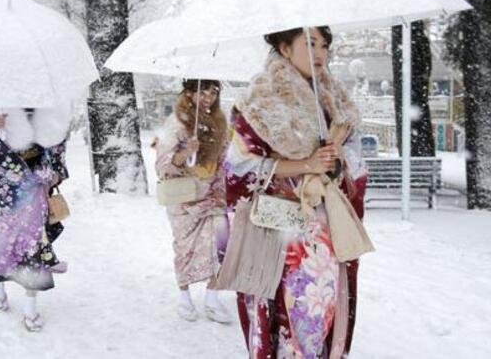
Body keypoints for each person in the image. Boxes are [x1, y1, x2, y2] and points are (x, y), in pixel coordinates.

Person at [223, 27, 367, 358]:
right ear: (285, 48)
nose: (320, 53)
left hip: (326, 228)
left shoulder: (337, 103)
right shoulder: (261, 102)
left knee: (323, 318)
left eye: (325, 45)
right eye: (310, 43)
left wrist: (337, 162)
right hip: (281, 231)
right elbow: (238, 169)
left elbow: (354, 166)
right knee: (290, 319)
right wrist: (305, 163)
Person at [0, 107, 70, 332]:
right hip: (2, 186)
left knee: (33, 243)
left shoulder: (43, 95)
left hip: (34, 181)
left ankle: (30, 306)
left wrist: (55, 168)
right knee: (1, 243)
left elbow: (57, 133)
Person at [154, 79, 231, 323]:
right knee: (184, 248)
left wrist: (220, 188)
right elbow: (162, 165)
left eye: (213, 92)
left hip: (210, 195)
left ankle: (212, 297)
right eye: (203, 92)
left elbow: (223, 161)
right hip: (183, 197)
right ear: (189, 93)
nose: (209, 97)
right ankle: (184, 297)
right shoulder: (175, 123)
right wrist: (187, 152)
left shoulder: (219, 122)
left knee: (220, 245)